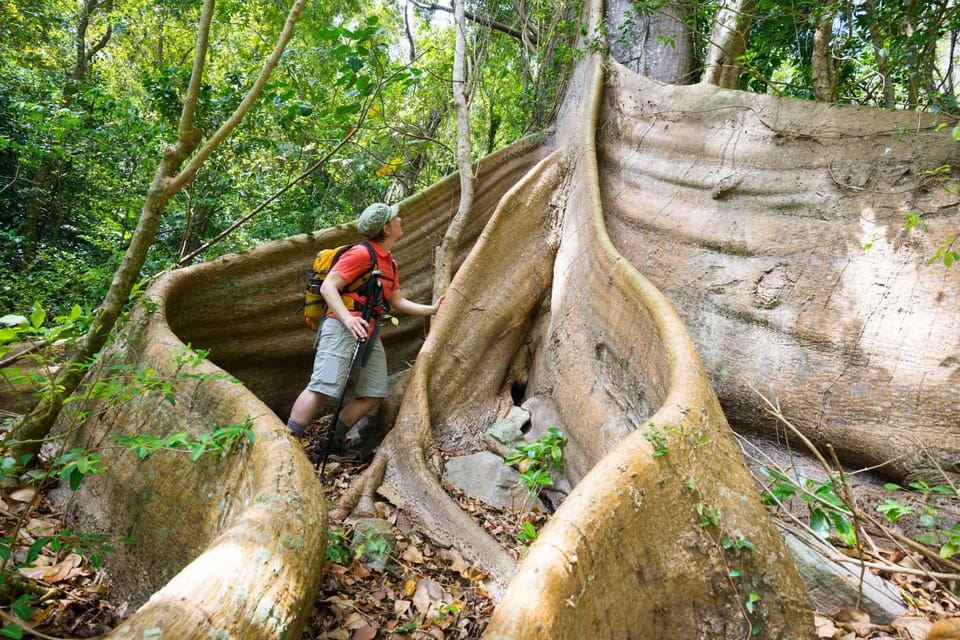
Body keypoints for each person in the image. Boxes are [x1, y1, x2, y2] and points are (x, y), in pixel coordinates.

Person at [286, 202, 441, 452]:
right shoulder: (360, 254)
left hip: (369, 333)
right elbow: (328, 287)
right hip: (340, 328)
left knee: (375, 391)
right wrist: (348, 318)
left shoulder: (389, 261)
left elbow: (396, 300)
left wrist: (432, 310)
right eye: (395, 218)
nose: (400, 219)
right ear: (387, 228)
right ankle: (288, 444)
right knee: (321, 388)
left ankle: (331, 443)